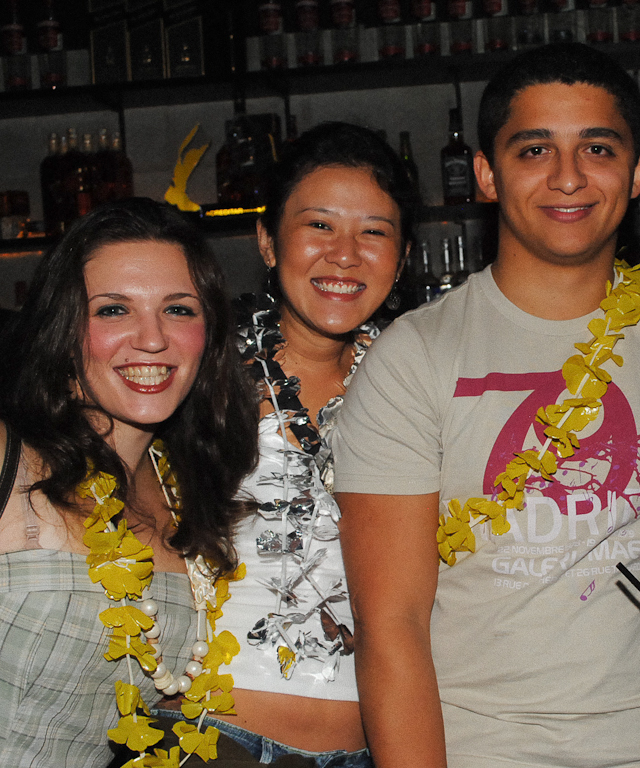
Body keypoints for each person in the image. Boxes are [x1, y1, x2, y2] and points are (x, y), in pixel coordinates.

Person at [333, 42, 640, 768]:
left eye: (598, 148)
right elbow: (390, 624)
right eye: (534, 150)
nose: (568, 176)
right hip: (480, 750)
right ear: (486, 175)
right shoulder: (413, 357)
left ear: (639, 172)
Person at [151, 122, 416, 767]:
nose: (345, 255)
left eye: (374, 232)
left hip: (374, 746)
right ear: (267, 240)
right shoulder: (196, 370)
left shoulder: (421, 382)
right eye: (319, 225)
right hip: (214, 740)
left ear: (404, 256)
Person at [0, 198, 258, 768]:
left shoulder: (188, 495)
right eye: (114, 310)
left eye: (179, 310)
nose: (152, 339)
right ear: (62, 328)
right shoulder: (10, 458)